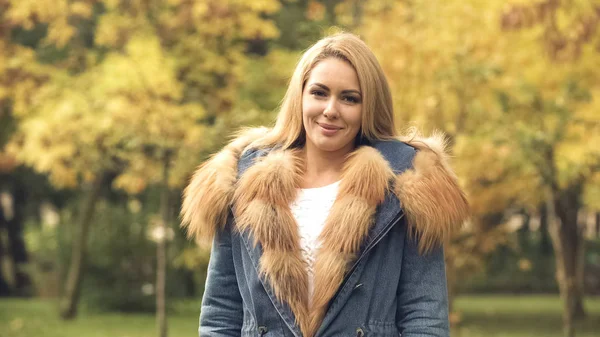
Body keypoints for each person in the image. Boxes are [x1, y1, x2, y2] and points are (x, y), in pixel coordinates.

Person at [180, 33, 469, 337]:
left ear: (368, 106)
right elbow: (221, 313)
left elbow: (424, 317)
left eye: (349, 98)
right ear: (300, 96)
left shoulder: (406, 187)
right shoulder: (243, 182)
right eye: (319, 93)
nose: (331, 109)